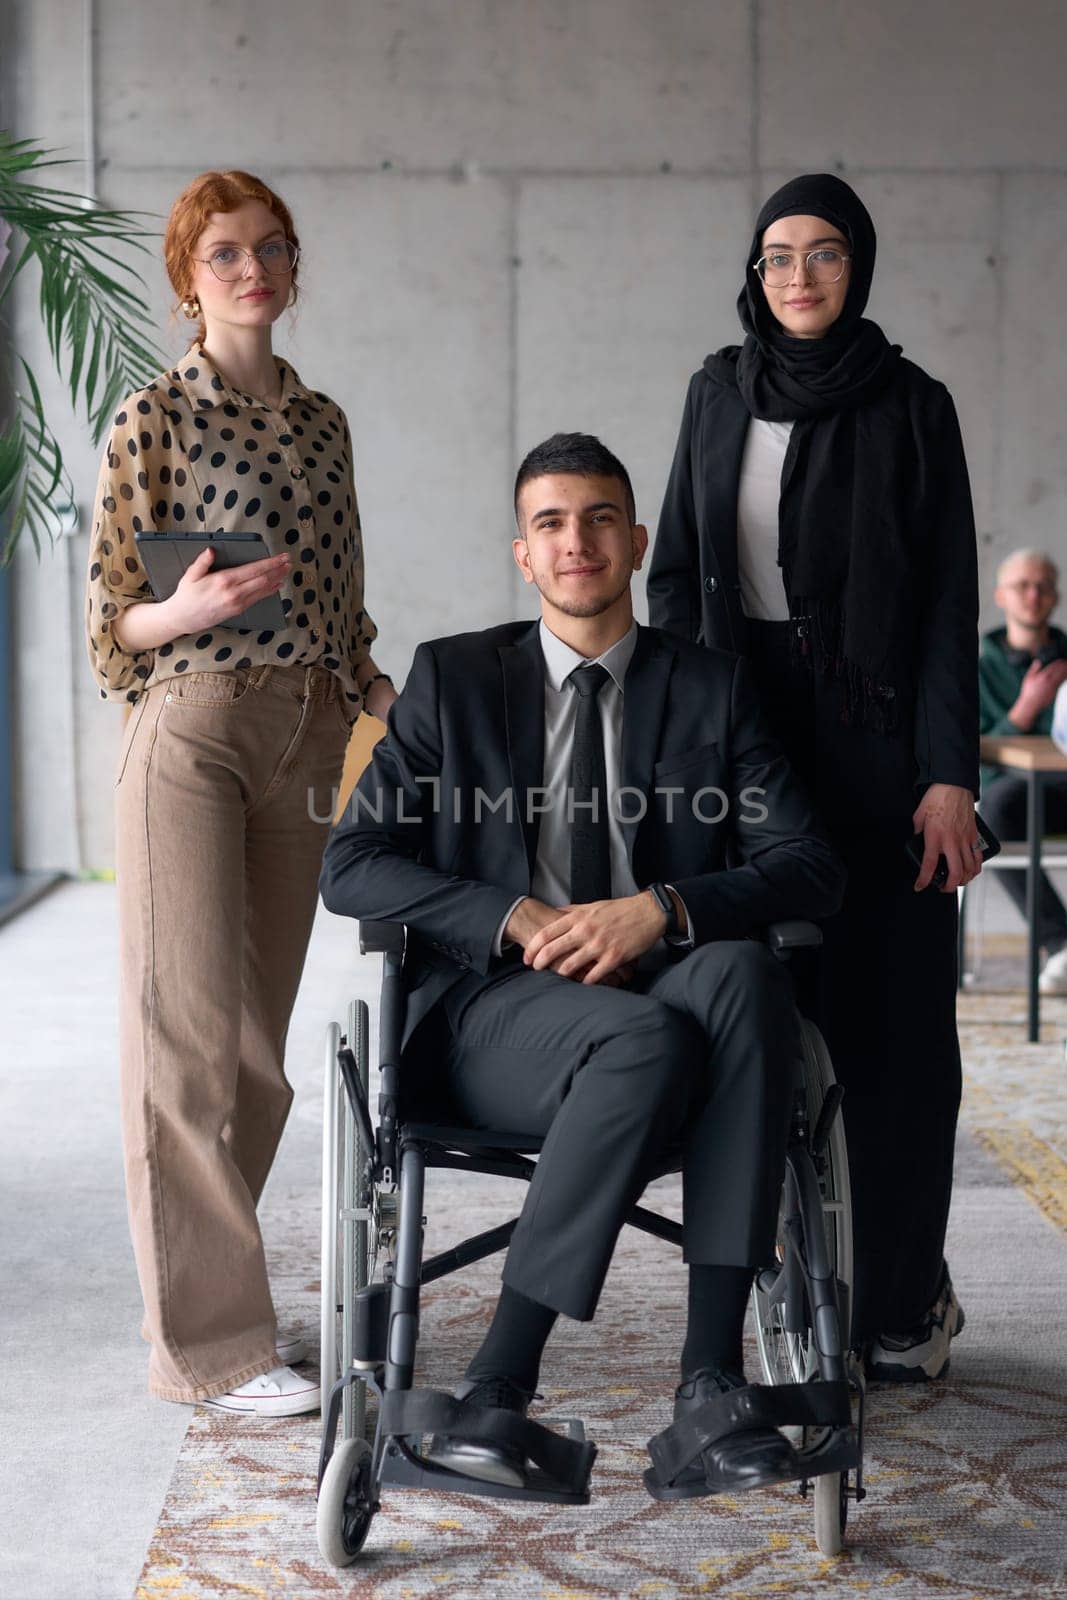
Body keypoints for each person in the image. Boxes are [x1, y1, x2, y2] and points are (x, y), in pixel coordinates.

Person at [320, 433, 845, 1497]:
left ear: (635, 540)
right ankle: (496, 1384)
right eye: (551, 522)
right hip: (494, 1014)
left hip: (668, 992)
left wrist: (660, 909)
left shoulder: (710, 690)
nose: (577, 541)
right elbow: (352, 864)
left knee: (743, 980)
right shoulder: (452, 679)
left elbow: (809, 865)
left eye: (600, 517)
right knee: (648, 1034)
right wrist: (510, 916)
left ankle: (709, 1384)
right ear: (523, 553)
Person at [648, 173, 982, 1383]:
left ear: (859, 267)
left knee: (899, 1041)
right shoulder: (713, 392)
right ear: (753, 271)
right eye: (777, 254)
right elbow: (679, 578)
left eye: (824, 253)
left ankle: (899, 1302)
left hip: (883, 746)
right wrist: (685, 734)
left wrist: (948, 776)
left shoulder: (911, 405)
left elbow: (947, 604)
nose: (798, 275)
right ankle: (803, 1286)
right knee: (775, 1031)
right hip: (746, 738)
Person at [85, 169, 396, 1415]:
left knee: (258, 1055)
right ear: (187, 280)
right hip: (195, 732)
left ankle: (215, 1305)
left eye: (272, 247)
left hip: (312, 731)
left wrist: (380, 690)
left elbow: (346, 595)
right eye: (224, 253)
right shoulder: (150, 415)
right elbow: (113, 624)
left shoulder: (324, 423)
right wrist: (189, 607)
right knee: (189, 1041)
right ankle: (211, 1352)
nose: (253, 268)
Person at [978, 549, 1067, 993]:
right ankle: (1061, 941)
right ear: (1001, 596)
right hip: (1012, 798)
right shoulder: (973, 666)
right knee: (991, 813)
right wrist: (1023, 710)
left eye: (1044, 586)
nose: (1034, 595)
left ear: (1055, 596)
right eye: (1022, 586)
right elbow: (966, 751)